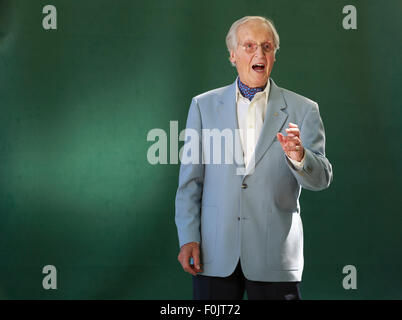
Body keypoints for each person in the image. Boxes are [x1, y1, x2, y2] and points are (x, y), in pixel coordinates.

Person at [175, 16, 333, 300]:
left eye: (266, 47)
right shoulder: (202, 106)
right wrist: (188, 237)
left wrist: (299, 156)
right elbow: (190, 182)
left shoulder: (305, 110)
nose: (259, 54)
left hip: (275, 258)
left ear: (274, 55)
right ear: (232, 55)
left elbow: (321, 178)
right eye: (248, 46)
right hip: (214, 255)